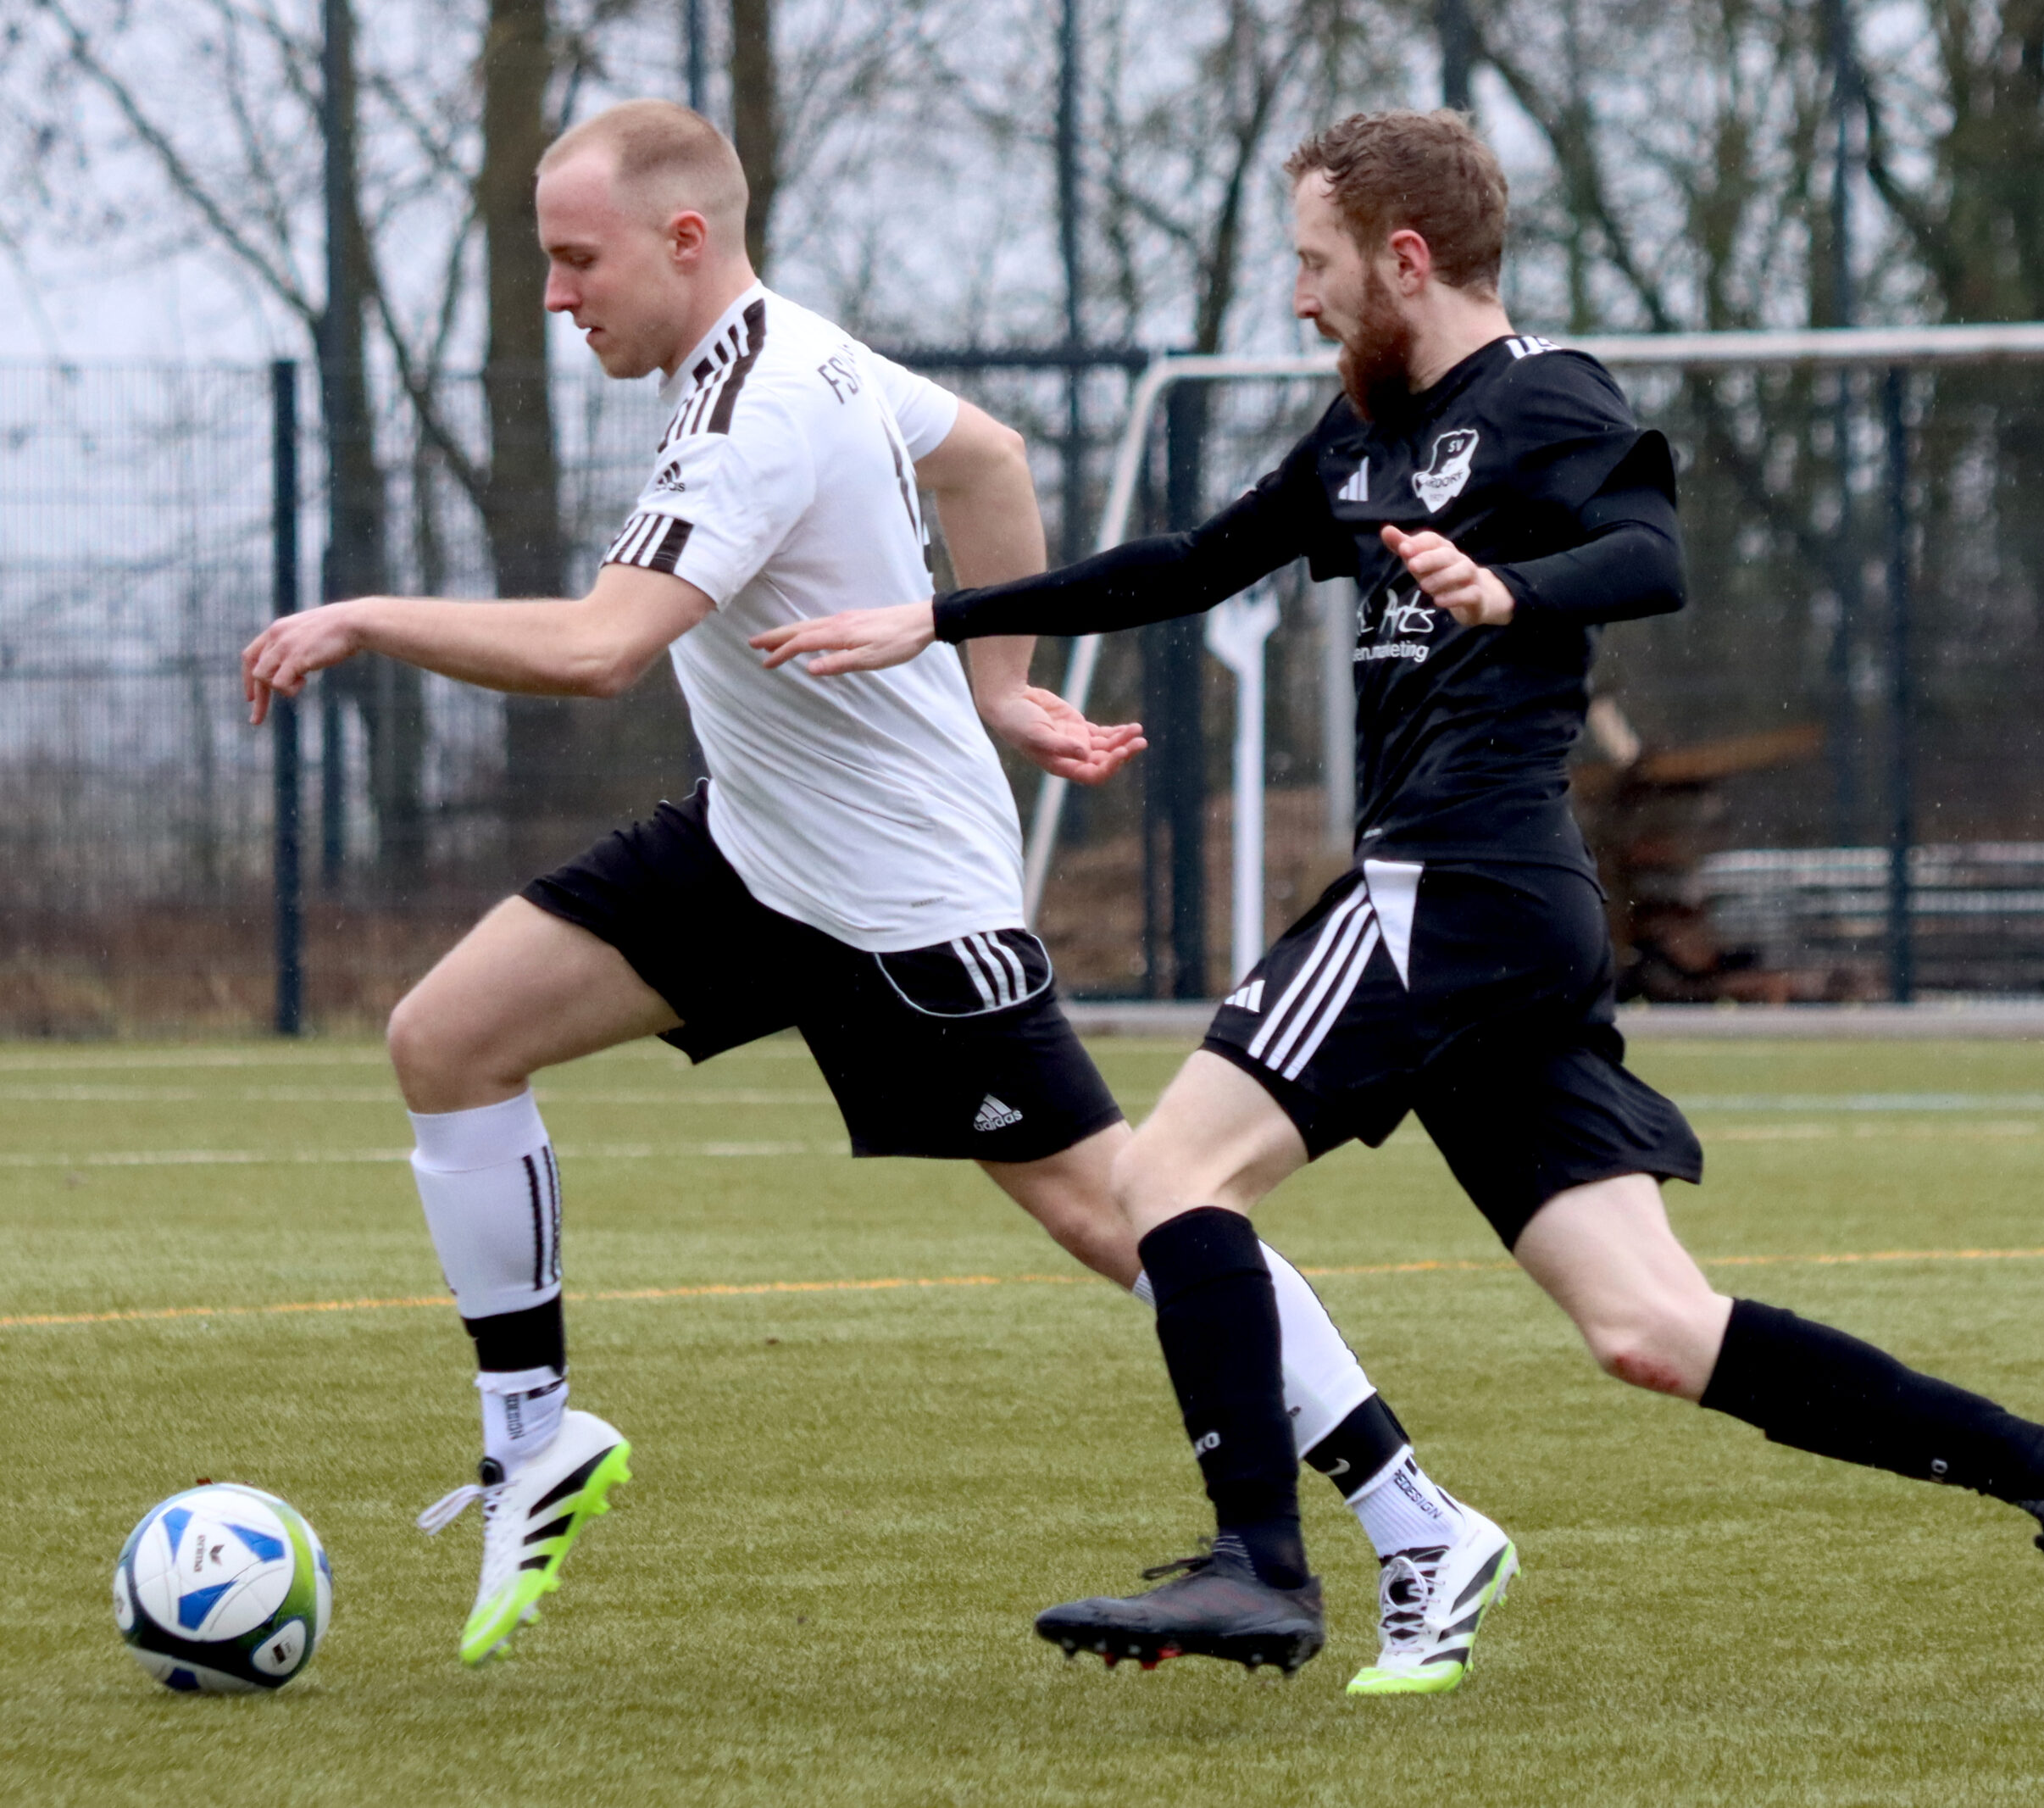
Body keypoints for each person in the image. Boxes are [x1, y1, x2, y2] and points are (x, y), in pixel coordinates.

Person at [753, 106, 2044, 1692]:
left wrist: (1515, 589)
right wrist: (939, 619)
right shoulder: (1362, 434)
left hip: (1458, 877)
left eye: (1315, 262)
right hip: (1501, 923)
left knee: (1165, 1181)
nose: (1298, 296)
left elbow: (1651, 553)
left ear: (1405, 259)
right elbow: (1190, 562)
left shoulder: (1545, 395)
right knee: (1650, 1327)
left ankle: (1258, 1561)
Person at [242, 99, 1514, 1693]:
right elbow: (987, 457)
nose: (557, 295)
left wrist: (366, 615)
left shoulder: (764, 403)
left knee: (1129, 1209)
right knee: (447, 1040)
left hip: (901, 903)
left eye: (578, 260)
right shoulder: (784, 351)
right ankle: (536, 1439)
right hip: (752, 848)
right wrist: (998, 681)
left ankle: (1418, 1518)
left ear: (685, 239)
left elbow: (600, 647)